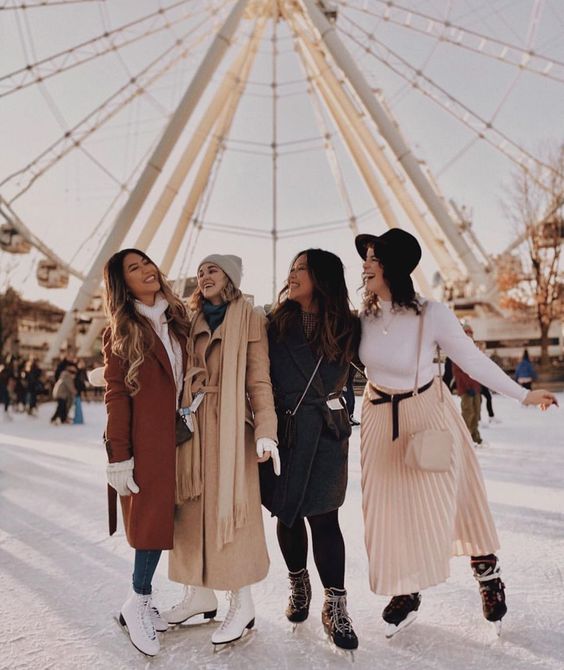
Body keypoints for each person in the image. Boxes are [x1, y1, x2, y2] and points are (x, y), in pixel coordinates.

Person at [356, 228, 558, 638]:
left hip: (427, 411)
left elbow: (472, 360)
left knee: (457, 495)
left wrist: (522, 395)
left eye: (374, 258)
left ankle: (487, 571)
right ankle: (406, 589)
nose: (366, 265)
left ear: (393, 267)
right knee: (390, 508)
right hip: (379, 415)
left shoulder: (432, 313)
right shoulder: (365, 316)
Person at [164, 254, 279, 648]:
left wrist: (266, 430)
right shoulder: (189, 320)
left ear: (229, 277)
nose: (204, 276)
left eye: (212, 269)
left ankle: (242, 602)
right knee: (191, 510)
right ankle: (199, 593)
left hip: (231, 428)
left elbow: (259, 378)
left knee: (233, 513)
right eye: (200, 271)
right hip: (193, 423)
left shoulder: (250, 317)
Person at [260, 249, 360, 651]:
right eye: (292, 268)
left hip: (327, 431)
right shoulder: (272, 323)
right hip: (285, 430)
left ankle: (335, 604)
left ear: (323, 277)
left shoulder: (350, 326)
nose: (294, 274)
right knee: (287, 513)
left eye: (303, 268)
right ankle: (299, 583)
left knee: (325, 517)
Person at [102, 248, 189, 657]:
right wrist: (119, 455)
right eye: (134, 269)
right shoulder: (121, 330)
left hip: (183, 435)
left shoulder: (179, 319)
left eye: (147, 262)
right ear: (125, 284)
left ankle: (142, 599)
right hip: (147, 440)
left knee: (168, 518)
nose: (146, 271)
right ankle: (136, 601)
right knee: (150, 523)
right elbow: (116, 394)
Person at [451, 325, 483, 446]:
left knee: (476, 412)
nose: (469, 335)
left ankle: (475, 436)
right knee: (468, 412)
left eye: (470, 333)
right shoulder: (458, 350)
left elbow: (479, 367)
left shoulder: (474, 349)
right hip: (466, 388)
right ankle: (464, 437)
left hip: (476, 387)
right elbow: (458, 371)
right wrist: (467, 386)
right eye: (467, 333)